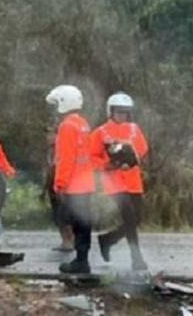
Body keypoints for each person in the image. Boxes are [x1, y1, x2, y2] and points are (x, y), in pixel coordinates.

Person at [90, 92, 149, 271]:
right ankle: (136, 257)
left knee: (136, 218)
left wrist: (131, 157)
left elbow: (142, 149)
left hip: (133, 180)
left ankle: (108, 239)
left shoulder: (134, 129)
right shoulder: (100, 132)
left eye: (125, 112)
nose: (122, 115)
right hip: (114, 182)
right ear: (111, 111)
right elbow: (91, 156)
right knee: (129, 216)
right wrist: (106, 165)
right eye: (118, 112)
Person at [46, 85, 94, 274]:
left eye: (57, 103)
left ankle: (81, 262)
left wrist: (59, 184)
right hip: (86, 183)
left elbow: (65, 158)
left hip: (73, 185)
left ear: (64, 103)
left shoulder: (66, 126)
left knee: (75, 222)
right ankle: (82, 259)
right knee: (84, 223)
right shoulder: (83, 124)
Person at [43, 124, 74, 252]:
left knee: (64, 214)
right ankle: (65, 240)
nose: (49, 137)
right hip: (52, 185)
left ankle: (70, 240)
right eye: (48, 134)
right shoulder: (49, 151)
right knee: (56, 215)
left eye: (52, 134)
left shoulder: (62, 149)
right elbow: (48, 171)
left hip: (62, 185)